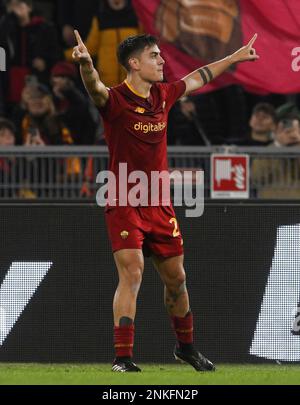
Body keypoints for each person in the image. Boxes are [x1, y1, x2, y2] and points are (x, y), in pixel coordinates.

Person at [72, 29, 259, 372]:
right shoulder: (115, 100)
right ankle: (123, 358)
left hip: (160, 204)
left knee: (176, 278)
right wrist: (87, 65)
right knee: (133, 272)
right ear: (134, 63)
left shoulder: (164, 95)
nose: (162, 60)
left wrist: (233, 58)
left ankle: (186, 349)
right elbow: (95, 88)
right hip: (124, 200)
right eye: (154, 55)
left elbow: (197, 78)